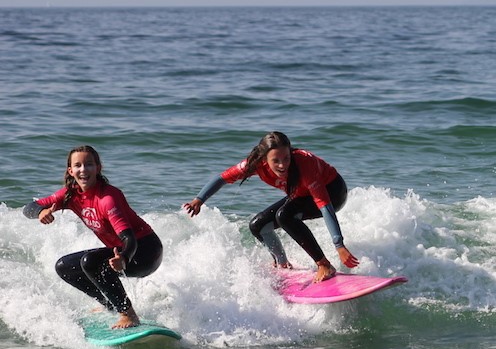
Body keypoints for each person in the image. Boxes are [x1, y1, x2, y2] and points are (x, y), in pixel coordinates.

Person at [182, 131, 359, 283]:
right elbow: (222, 178)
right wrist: (199, 199)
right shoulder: (255, 164)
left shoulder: (305, 164)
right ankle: (283, 265)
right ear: (264, 158)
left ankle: (324, 265)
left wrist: (339, 245)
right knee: (257, 225)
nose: (282, 165)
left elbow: (325, 206)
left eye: (286, 158)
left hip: (333, 193)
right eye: (276, 160)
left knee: (285, 216)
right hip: (301, 195)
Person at [23, 145, 162, 328]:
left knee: (91, 262)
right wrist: (41, 212)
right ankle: (110, 305)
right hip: (119, 251)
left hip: (144, 252)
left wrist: (124, 258)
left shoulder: (108, 197)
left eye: (88, 164)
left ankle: (128, 314)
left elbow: (129, 238)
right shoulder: (70, 194)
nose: (83, 170)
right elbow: (29, 208)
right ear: (70, 171)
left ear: (98, 168)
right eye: (78, 165)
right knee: (64, 267)